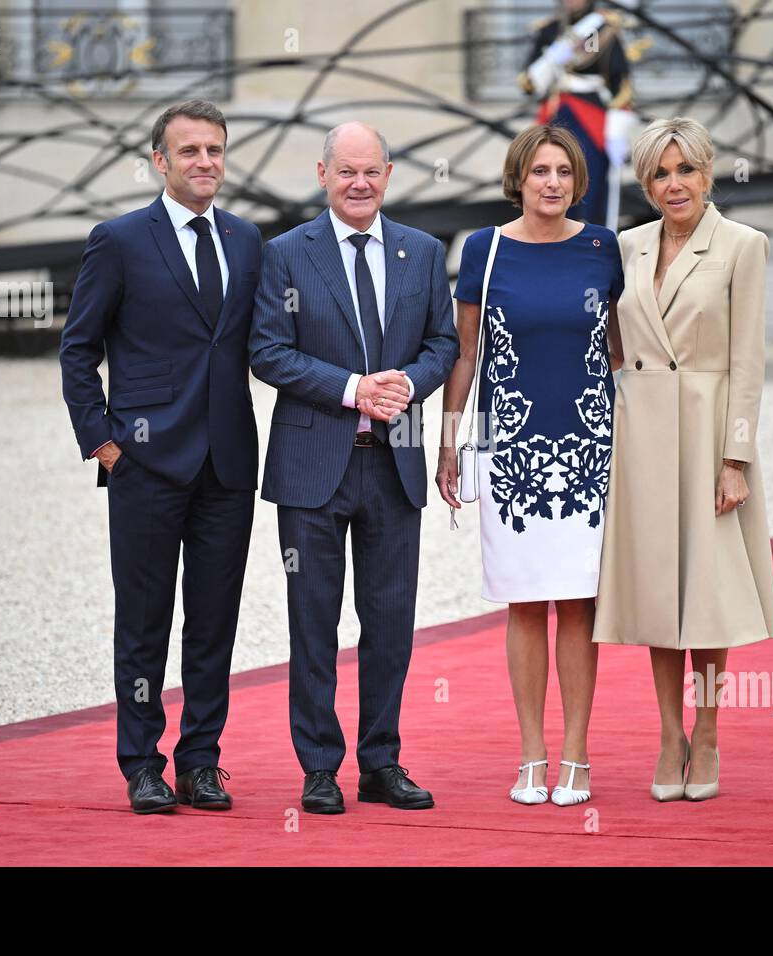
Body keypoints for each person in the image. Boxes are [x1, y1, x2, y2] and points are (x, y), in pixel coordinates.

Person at [249, 122, 459, 815]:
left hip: (394, 463)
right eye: (347, 172)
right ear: (322, 174)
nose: (360, 183)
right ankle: (318, 767)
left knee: (390, 619)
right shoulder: (285, 255)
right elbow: (268, 352)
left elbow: (443, 342)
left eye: (371, 171)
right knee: (313, 621)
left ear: (389, 174)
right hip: (313, 466)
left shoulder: (423, 252)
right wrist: (352, 389)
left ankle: (381, 762)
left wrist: (408, 384)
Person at [60, 100, 262, 814]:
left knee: (214, 619)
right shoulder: (117, 241)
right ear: (160, 161)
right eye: (190, 151)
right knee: (143, 620)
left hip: (229, 465)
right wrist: (104, 445)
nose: (205, 162)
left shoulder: (246, 239)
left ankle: (200, 760)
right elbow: (79, 349)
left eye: (215, 149)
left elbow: (260, 343)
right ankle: (141, 762)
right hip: (143, 464)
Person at [594, 117, 773, 804]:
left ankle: (707, 731)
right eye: (659, 174)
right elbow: (614, 340)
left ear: (708, 172)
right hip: (641, 433)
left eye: (685, 170)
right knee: (659, 592)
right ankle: (668, 733)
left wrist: (737, 457)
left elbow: (748, 361)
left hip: (707, 434)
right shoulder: (628, 246)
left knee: (705, 593)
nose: (674, 185)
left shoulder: (743, 246)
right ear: (645, 183)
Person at [437, 124, 623, 807]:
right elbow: (465, 355)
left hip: (590, 453)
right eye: (540, 170)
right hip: (509, 452)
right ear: (518, 177)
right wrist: (448, 441)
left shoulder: (604, 247)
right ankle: (531, 755)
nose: (552, 182)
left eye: (564, 172)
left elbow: (619, 353)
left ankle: (576, 753)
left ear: (578, 181)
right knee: (523, 603)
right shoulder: (482, 251)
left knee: (578, 602)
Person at [518, 0, 635, 226]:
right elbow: (528, 85)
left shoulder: (604, 27)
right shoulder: (549, 29)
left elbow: (621, 84)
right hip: (555, 115)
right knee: (549, 178)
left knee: (590, 184)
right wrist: (551, 59)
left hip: (591, 118)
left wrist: (617, 132)